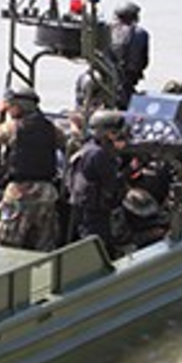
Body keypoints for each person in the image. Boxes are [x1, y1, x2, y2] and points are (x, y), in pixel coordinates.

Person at [0, 86, 65, 251]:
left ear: (19, 106)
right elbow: (64, 142)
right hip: (46, 192)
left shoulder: (13, 127)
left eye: (10, 106)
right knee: (43, 243)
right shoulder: (51, 128)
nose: (9, 109)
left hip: (20, 192)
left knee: (8, 240)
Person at [66, 108, 128, 254]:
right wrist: (130, 169)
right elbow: (112, 183)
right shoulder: (99, 155)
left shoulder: (88, 148)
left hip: (85, 208)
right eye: (114, 133)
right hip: (95, 211)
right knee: (97, 247)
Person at [110, 1, 150, 109]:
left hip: (108, 75)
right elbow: (144, 61)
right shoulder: (140, 33)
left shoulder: (107, 30)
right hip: (128, 78)